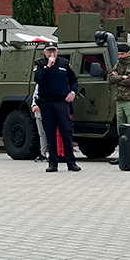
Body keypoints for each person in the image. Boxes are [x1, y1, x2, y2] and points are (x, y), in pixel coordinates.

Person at [33, 42, 81, 172]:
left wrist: (72, 92)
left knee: (66, 131)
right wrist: (48, 66)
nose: (51, 53)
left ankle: (71, 162)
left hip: (61, 102)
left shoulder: (64, 63)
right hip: (46, 102)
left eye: (53, 50)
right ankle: (53, 163)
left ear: (57, 52)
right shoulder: (39, 64)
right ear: (45, 52)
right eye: (49, 51)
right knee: (50, 133)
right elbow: (38, 79)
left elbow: (73, 79)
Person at [107, 42, 130, 165]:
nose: (120, 56)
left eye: (122, 54)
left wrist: (119, 77)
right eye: (119, 54)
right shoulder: (118, 64)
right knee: (121, 130)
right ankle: (122, 155)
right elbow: (110, 78)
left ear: (128, 53)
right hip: (120, 100)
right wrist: (123, 77)